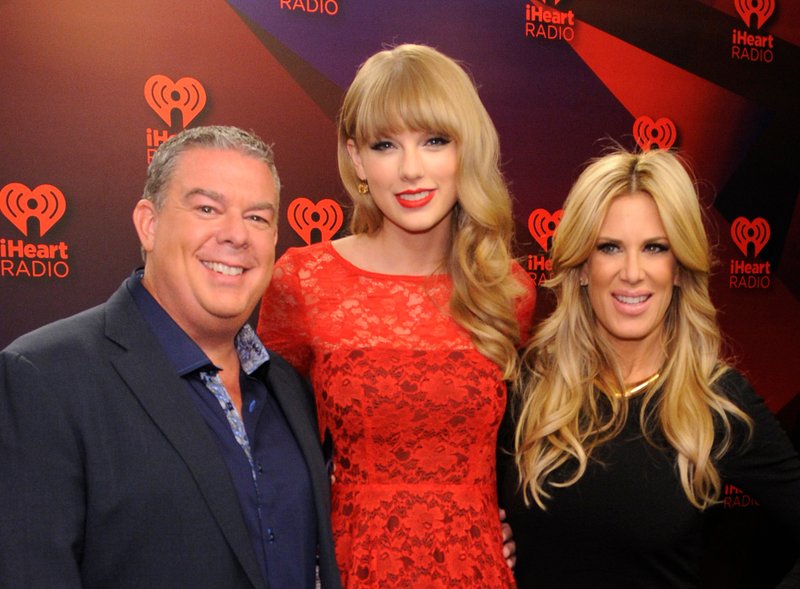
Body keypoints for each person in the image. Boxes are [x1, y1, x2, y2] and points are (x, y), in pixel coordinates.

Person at [0, 126, 341, 589]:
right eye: (207, 208)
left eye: (258, 218)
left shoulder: (290, 387)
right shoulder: (44, 378)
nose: (237, 235)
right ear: (149, 223)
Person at [257, 44, 535, 587]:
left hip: (475, 570)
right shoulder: (303, 280)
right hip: (351, 568)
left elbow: (521, 453)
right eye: (386, 145)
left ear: (466, 150)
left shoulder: (508, 291)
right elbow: (268, 448)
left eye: (434, 141)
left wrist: (509, 524)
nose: (411, 169)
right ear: (358, 160)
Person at [500, 148, 800, 587]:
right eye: (610, 248)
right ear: (582, 267)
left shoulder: (715, 400)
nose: (633, 273)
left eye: (655, 248)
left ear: (678, 268)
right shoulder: (526, 386)